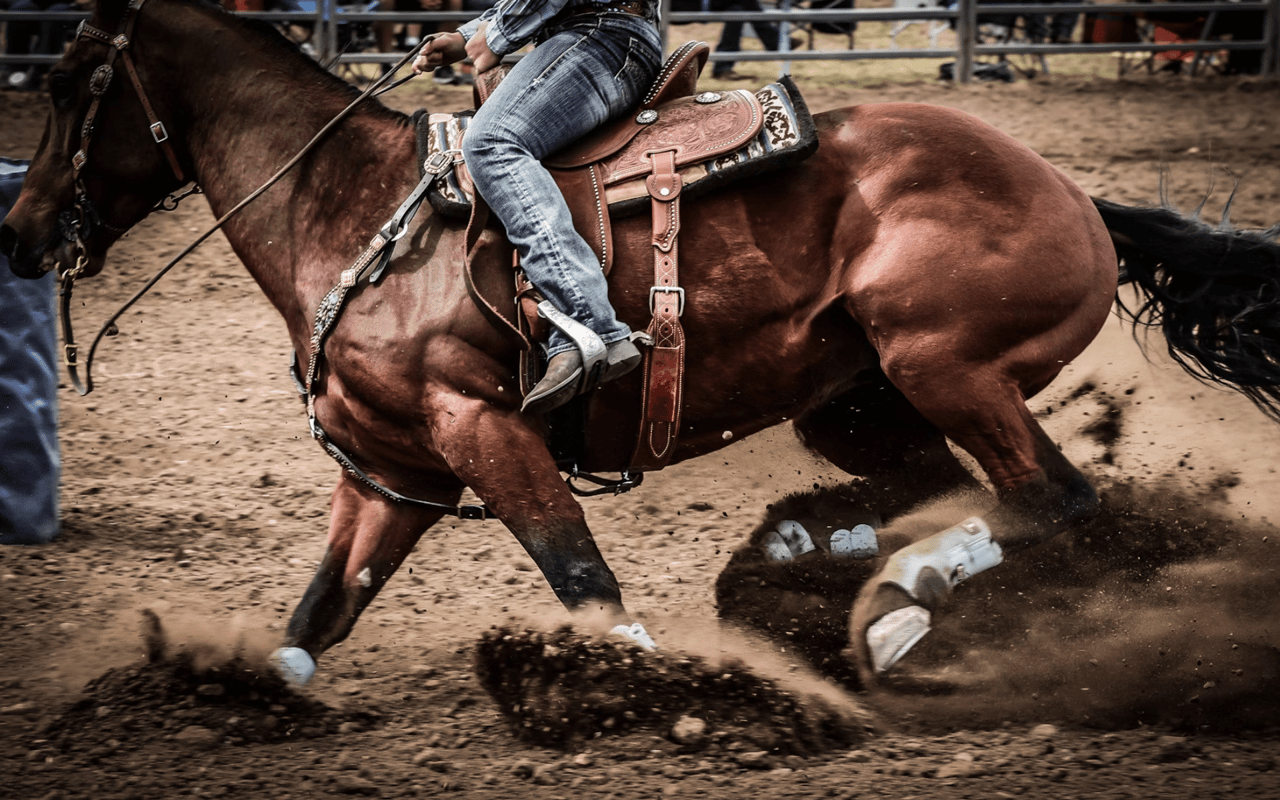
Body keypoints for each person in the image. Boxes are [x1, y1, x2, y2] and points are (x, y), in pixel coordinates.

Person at [412, 0, 660, 414]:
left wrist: (497, 35)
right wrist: (466, 35)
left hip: (599, 36)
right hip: (602, 33)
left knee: (491, 142)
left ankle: (588, 320)